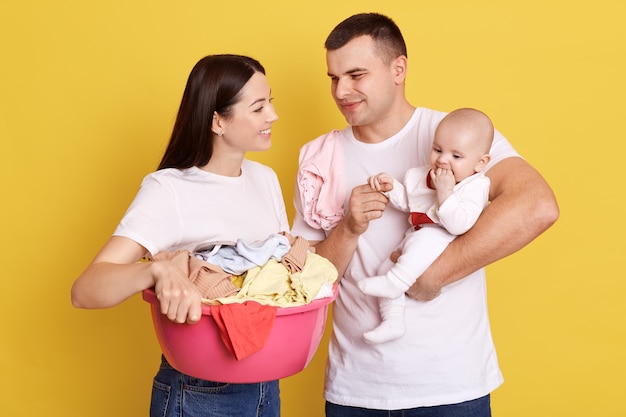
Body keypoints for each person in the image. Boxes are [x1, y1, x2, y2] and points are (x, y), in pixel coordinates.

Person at [291, 13, 559, 417]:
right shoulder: (318, 158)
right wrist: (348, 229)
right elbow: (306, 280)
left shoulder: (455, 136)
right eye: (333, 78)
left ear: (398, 69)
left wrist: (433, 274)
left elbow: (536, 205)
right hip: (354, 390)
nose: (341, 90)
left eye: (356, 74)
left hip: (450, 388)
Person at [71, 54, 287, 417]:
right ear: (217, 120)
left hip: (266, 382)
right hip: (200, 390)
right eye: (258, 107)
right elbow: (85, 290)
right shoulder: (169, 189)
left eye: (271, 103)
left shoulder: (266, 180)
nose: (273, 116)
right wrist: (154, 272)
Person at [358, 107, 494, 344]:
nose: (442, 159)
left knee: (422, 242)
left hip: (442, 241)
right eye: (437, 149)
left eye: (456, 156)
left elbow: (460, 225)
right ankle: (393, 320)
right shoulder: (422, 175)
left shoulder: (476, 186)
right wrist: (392, 188)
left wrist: (445, 193)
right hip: (415, 238)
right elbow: (411, 204)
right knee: (384, 267)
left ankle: (396, 283)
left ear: (480, 163)